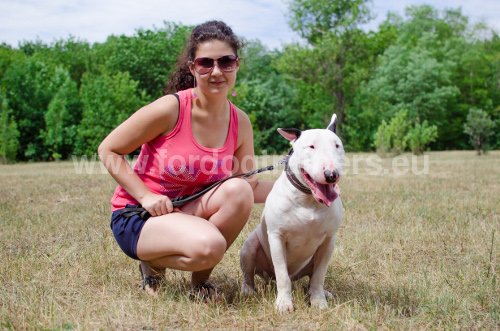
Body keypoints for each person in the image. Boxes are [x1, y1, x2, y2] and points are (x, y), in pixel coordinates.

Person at [98, 20, 274, 298]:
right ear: (193, 68)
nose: (217, 71)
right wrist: (145, 196)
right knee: (210, 246)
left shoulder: (240, 122)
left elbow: (248, 186)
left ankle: (200, 283)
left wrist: (305, 184)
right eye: (206, 63)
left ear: (236, 65)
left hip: (186, 212)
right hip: (139, 215)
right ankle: (152, 265)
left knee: (239, 190)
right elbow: (108, 150)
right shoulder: (171, 108)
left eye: (226, 61)